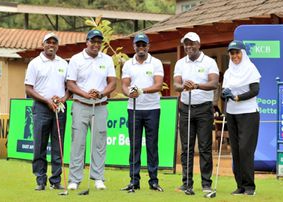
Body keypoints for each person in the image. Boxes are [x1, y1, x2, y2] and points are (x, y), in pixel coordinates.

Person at [66, 29, 116, 190]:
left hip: (100, 106)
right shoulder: (76, 59)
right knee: (78, 143)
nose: (96, 45)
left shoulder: (107, 59)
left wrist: (101, 93)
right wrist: (85, 94)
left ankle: (98, 177)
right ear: (86, 42)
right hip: (81, 104)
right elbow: (70, 84)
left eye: (99, 42)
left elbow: (112, 83)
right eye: (93, 41)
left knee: (99, 142)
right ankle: (74, 179)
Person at [173, 32, 219, 194]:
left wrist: (197, 86)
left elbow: (214, 83)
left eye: (191, 43)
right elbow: (176, 85)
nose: (188, 47)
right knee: (186, 147)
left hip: (204, 109)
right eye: (186, 44)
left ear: (199, 44)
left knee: (205, 147)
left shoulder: (209, 62)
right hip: (186, 108)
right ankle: (187, 183)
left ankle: (206, 183)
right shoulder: (180, 63)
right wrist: (184, 86)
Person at [24, 32, 70, 191]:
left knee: (58, 146)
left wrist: (63, 99)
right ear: (43, 44)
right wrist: (46, 100)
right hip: (41, 107)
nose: (51, 45)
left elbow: (69, 87)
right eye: (48, 42)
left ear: (57, 46)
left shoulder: (63, 63)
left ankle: (56, 180)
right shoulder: (35, 63)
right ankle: (40, 179)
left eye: (54, 43)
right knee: (40, 145)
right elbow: (29, 89)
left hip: (59, 108)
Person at [120, 33, 164, 192]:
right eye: (138, 45)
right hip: (133, 109)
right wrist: (128, 93)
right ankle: (134, 181)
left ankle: (153, 181)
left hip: (152, 109)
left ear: (148, 46)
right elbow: (124, 85)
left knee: (152, 146)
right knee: (135, 145)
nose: (141, 48)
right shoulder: (128, 64)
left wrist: (140, 90)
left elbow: (158, 85)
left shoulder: (156, 63)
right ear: (134, 47)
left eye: (143, 45)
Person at [222, 40, 261, 196]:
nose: (235, 56)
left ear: (243, 53)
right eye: (232, 53)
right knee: (236, 151)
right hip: (232, 114)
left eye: (237, 52)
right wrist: (225, 94)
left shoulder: (251, 68)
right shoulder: (228, 72)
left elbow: (255, 90)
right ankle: (240, 185)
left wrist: (237, 97)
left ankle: (250, 186)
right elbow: (225, 91)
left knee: (245, 149)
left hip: (249, 113)